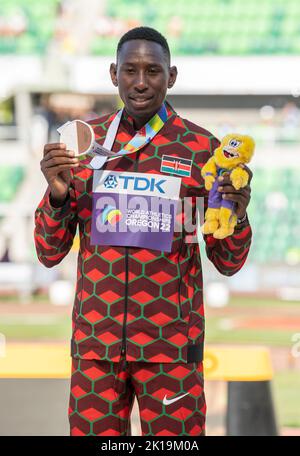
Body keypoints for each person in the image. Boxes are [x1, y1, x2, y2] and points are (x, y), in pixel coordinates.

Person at [34, 26, 252, 436]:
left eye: (153, 70)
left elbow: (228, 261)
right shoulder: (83, 143)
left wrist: (236, 216)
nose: (140, 82)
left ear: (171, 76)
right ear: (113, 73)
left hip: (171, 351)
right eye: (130, 70)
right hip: (95, 349)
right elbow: (48, 252)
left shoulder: (201, 151)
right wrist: (58, 196)